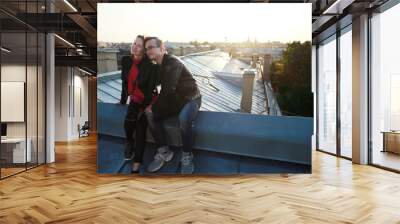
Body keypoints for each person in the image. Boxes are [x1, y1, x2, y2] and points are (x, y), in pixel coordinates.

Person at [144, 37, 202, 174]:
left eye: (151, 47)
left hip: (191, 98)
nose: (148, 51)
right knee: (151, 114)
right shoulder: (158, 65)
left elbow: (168, 90)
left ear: (162, 48)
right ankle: (164, 152)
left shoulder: (172, 63)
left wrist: (154, 106)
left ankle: (187, 155)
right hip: (176, 99)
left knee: (183, 119)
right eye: (146, 49)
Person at [120, 35, 159, 173]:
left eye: (139, 45)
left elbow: (150, 90)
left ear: (144, 51)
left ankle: (137, 162)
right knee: (128, 122)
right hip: (134, 99)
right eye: (134, 43)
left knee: (141, 127)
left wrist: (143, 108)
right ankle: (129, 141)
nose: (134, 46)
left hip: (146, 100)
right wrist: (122, 101)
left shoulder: (150, 66)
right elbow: (125, 83)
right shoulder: (126, 61)